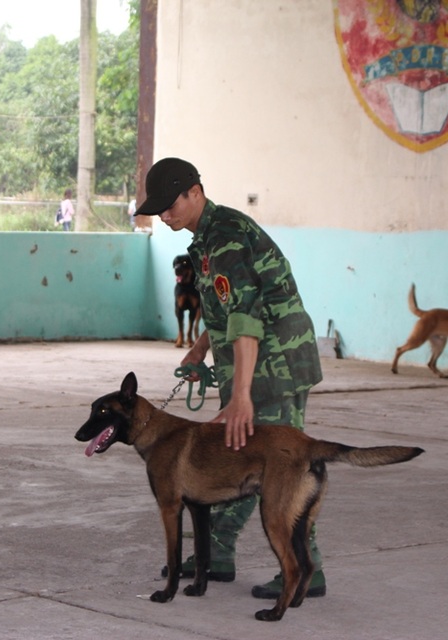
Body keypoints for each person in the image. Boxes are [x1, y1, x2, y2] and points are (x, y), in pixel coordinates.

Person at [135, 157, 326, 600]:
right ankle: (217, 552)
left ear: (195, 193)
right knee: (235, 456)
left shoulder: (225, 238)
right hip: (252, 361)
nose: (164, 215)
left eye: (170, 205)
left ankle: (307, 568)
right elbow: (222, 306)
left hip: (275, 365)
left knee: (280, 466)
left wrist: (241, 396)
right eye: (158, 209)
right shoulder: (206, 238)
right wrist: (201, 348)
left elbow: (245, 317)